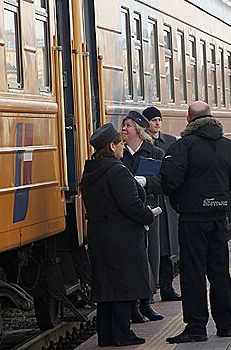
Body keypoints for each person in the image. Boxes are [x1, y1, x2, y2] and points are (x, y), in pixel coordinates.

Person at [160, 101, 231, 343]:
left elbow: (169, 180)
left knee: (193, 272)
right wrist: (219, 191)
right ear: (211, 117)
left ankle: (197, 327)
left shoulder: (183, 146)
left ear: (189, 119)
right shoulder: (228, 146)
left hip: (192, 218)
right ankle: (226, 324)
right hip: (219, 216)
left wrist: (181, 198)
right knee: (219, 271)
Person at [81, 124, 154, 347]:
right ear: (112, 146)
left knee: (106, 287)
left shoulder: (91, 170)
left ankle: (106, 335)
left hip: (99, 236)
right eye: (121, 143)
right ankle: (122, 333)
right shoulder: (117, 170)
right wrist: (148, 215)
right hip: (122, 238)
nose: (124, 146)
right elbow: (131, 205)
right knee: (123, 286)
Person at [120, 111, 164, 323]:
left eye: (128, 126)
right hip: (129, 212)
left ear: (137, 130)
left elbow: (163, 181)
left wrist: (146, 182)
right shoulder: (119, 154)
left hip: (150, 210)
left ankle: (147, 301)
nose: (124, 130)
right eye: (124, 125)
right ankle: (133, 304)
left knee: (151, 256)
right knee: (133, 258)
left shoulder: (154, 152)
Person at [143, 106, 182, 301]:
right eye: (153, 120)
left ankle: (166, 287)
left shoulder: (171, 142)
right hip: (150, 199)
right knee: (151, 248)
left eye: (159, 119)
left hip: (166, 201)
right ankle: (149, 290)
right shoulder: (142, 144)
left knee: (165, 248)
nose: (157, 123)